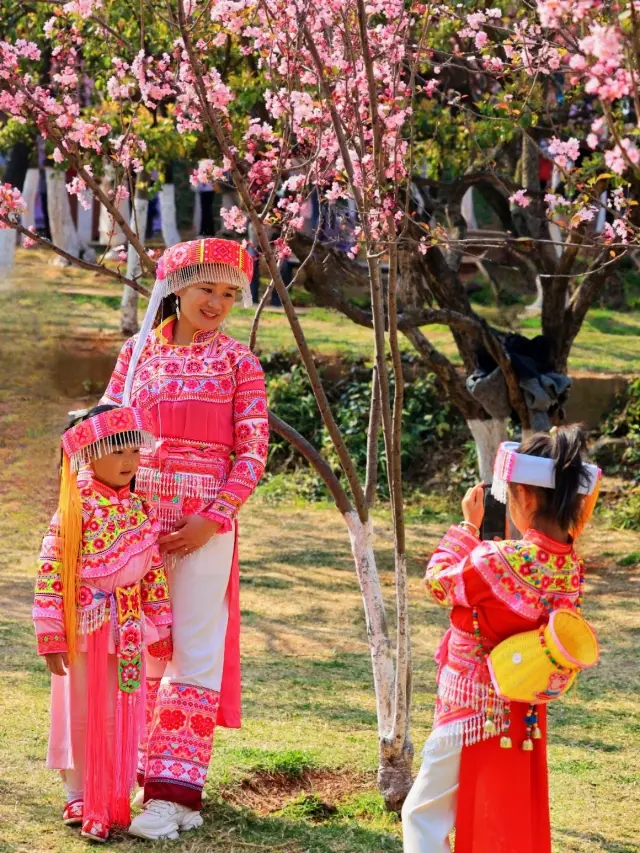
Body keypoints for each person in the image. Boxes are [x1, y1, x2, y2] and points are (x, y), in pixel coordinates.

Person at [100, 237, 269, 840]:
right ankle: (126, 774)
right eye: (208, 290)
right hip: (133, 520)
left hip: (204, 527)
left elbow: (253, 453)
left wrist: (213, 518)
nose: (219, 303)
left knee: (193, 650)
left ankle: (175, 796)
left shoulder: (239, 363)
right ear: (177, 287)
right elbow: (104, 430)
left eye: (230, 294)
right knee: (138, 643)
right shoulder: (135, 352)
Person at [402, 425, 601, 853]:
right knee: (502, 813)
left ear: (526, 498)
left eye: (509, 495)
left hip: (471, 707)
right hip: (522, 710)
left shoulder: (496, 560)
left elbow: (438, 583)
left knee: (422, 812)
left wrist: (465, 527)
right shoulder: (570, 570)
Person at [33, 404, 172, 843]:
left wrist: (160, 625)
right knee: (79, 710)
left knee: (119, 712)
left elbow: (152, 570)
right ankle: (79, 793)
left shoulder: (139, 507)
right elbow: (51, 569)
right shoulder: (74, 507)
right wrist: (51, 633)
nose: (129, 461)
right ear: (89, 454)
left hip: (128, 626)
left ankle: (113, 792)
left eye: (134, 450)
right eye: (116, 451)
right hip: (85, 626)